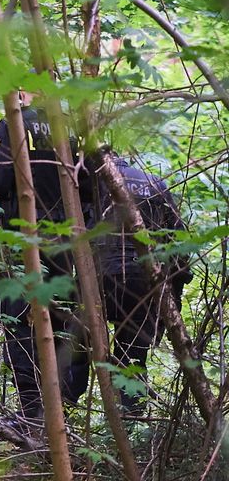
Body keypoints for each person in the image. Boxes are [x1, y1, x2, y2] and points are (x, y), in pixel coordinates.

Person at [0, 87, 90, 427]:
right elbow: (88, 181)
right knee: (61, 322)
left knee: (20, 321)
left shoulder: (19, 125)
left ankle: (30, 411)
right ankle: (62, 406)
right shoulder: (70, 127)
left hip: (23, 239)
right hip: (64, 240)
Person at [65, 150, 190, 415]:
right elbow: (179, 243)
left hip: (99, 278)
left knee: (75, 344)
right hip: (143, 279)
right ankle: (132, 421)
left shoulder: (90, 183)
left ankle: (62, 410)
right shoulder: (156, 183)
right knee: (132, 357)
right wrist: (172, 290)